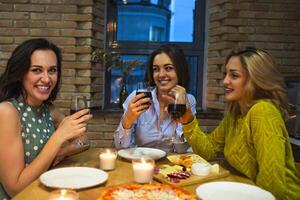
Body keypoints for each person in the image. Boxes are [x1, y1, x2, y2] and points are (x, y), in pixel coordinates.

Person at [170, 47, 300, 199]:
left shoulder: (263, 112)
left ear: (254, 79)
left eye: (234, 75)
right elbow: (207, 151)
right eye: (225, 74)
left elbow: (271, 185)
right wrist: (188, 120)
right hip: (244, 190)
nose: (225, 81)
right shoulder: (235, 114)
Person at [0, 38, 92, 199]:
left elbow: (84, 140)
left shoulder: (49, 110)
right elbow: (15, 189)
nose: (47, 79)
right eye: (36, 70)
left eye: (52, 70)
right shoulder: (7, 111)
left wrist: (63, 152)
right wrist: (58, 138)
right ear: (20, 73)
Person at [114, 44, 197, 152]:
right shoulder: (138, 97)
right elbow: (120, 147)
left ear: (180, 71)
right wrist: (127, 120)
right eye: (156, 69)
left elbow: (181, 149)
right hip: (141, 163)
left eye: (168, 68)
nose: (161, 75)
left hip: (172, 166)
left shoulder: (189, 100)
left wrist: (182, 112)